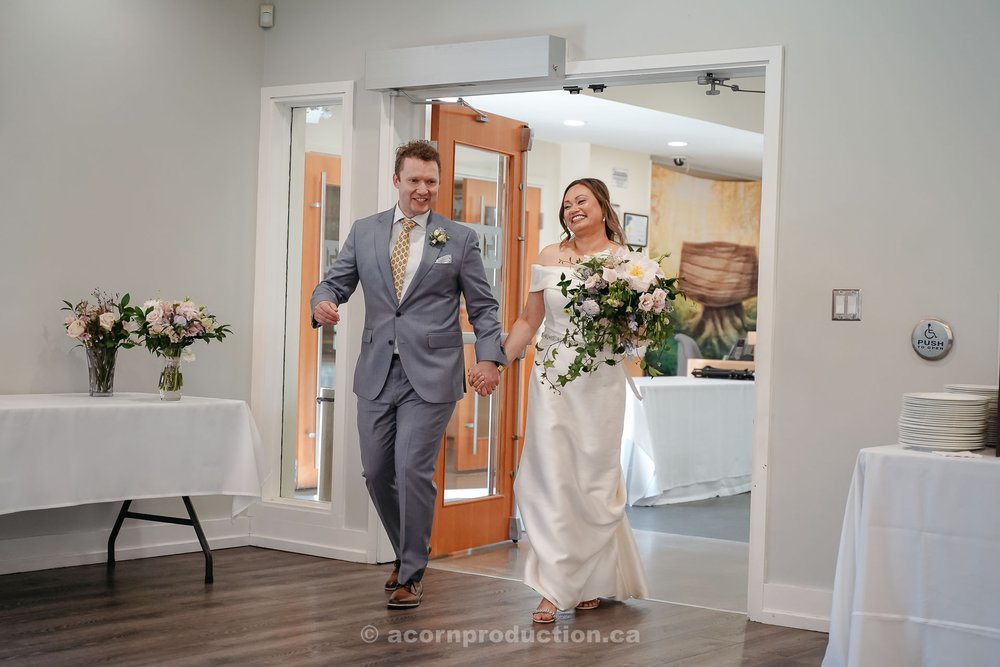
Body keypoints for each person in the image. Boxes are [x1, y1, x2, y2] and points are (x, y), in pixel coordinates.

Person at [311, 139, 505, 610]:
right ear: (396, 180)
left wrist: (487, 358)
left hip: (433, 374)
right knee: (377, 471)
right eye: (414, 180)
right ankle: (408, 549)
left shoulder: (458, 239)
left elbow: (482, 305)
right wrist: (324, 302)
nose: (423, 189)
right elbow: (335, 281)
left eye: (431, 182)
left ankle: (412, 572)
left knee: (410, 469)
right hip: (376, 369)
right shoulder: (365, 231)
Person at [471, 177, 648, 623]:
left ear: (604, 208)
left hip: (600, 382)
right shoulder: (550, 256)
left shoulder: (629, 264)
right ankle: (554, 587)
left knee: (592, 480)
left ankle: (588, 578)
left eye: (581, 201)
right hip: (552, 377)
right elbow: (529, 320)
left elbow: (638, 335)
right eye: (566, 203)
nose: (572, 208)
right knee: (549, 477)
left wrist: (638, 321)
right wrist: (497, 362)